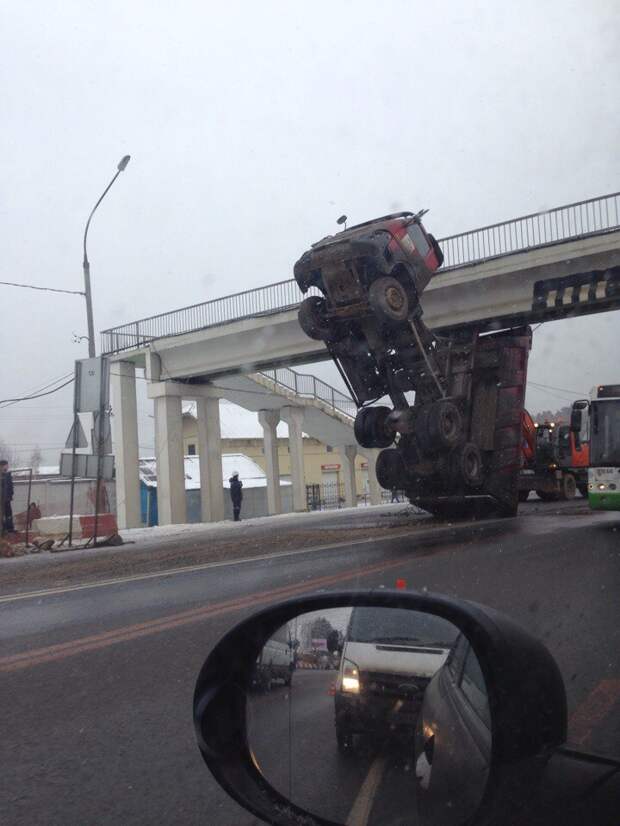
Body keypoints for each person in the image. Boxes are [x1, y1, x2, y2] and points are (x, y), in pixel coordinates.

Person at [1, 459, 15, 534]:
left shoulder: (8, 475)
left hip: (7, 499)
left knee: (9, 514)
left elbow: (11, 486)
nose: (7, 467)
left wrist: (11, 494)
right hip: (1, 500)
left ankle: (10, 529)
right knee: (2, 515)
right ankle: (3, 529)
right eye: (5, 465)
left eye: (7, 465)